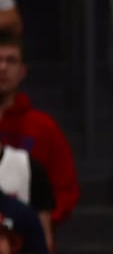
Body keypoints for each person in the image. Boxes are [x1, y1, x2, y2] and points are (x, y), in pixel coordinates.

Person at [0, 31, 79, 230]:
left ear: (22, 71)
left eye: (11, 61)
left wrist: (38, 222)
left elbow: (66, 190)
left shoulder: (44, 128)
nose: (3, 67)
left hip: (28, 240)